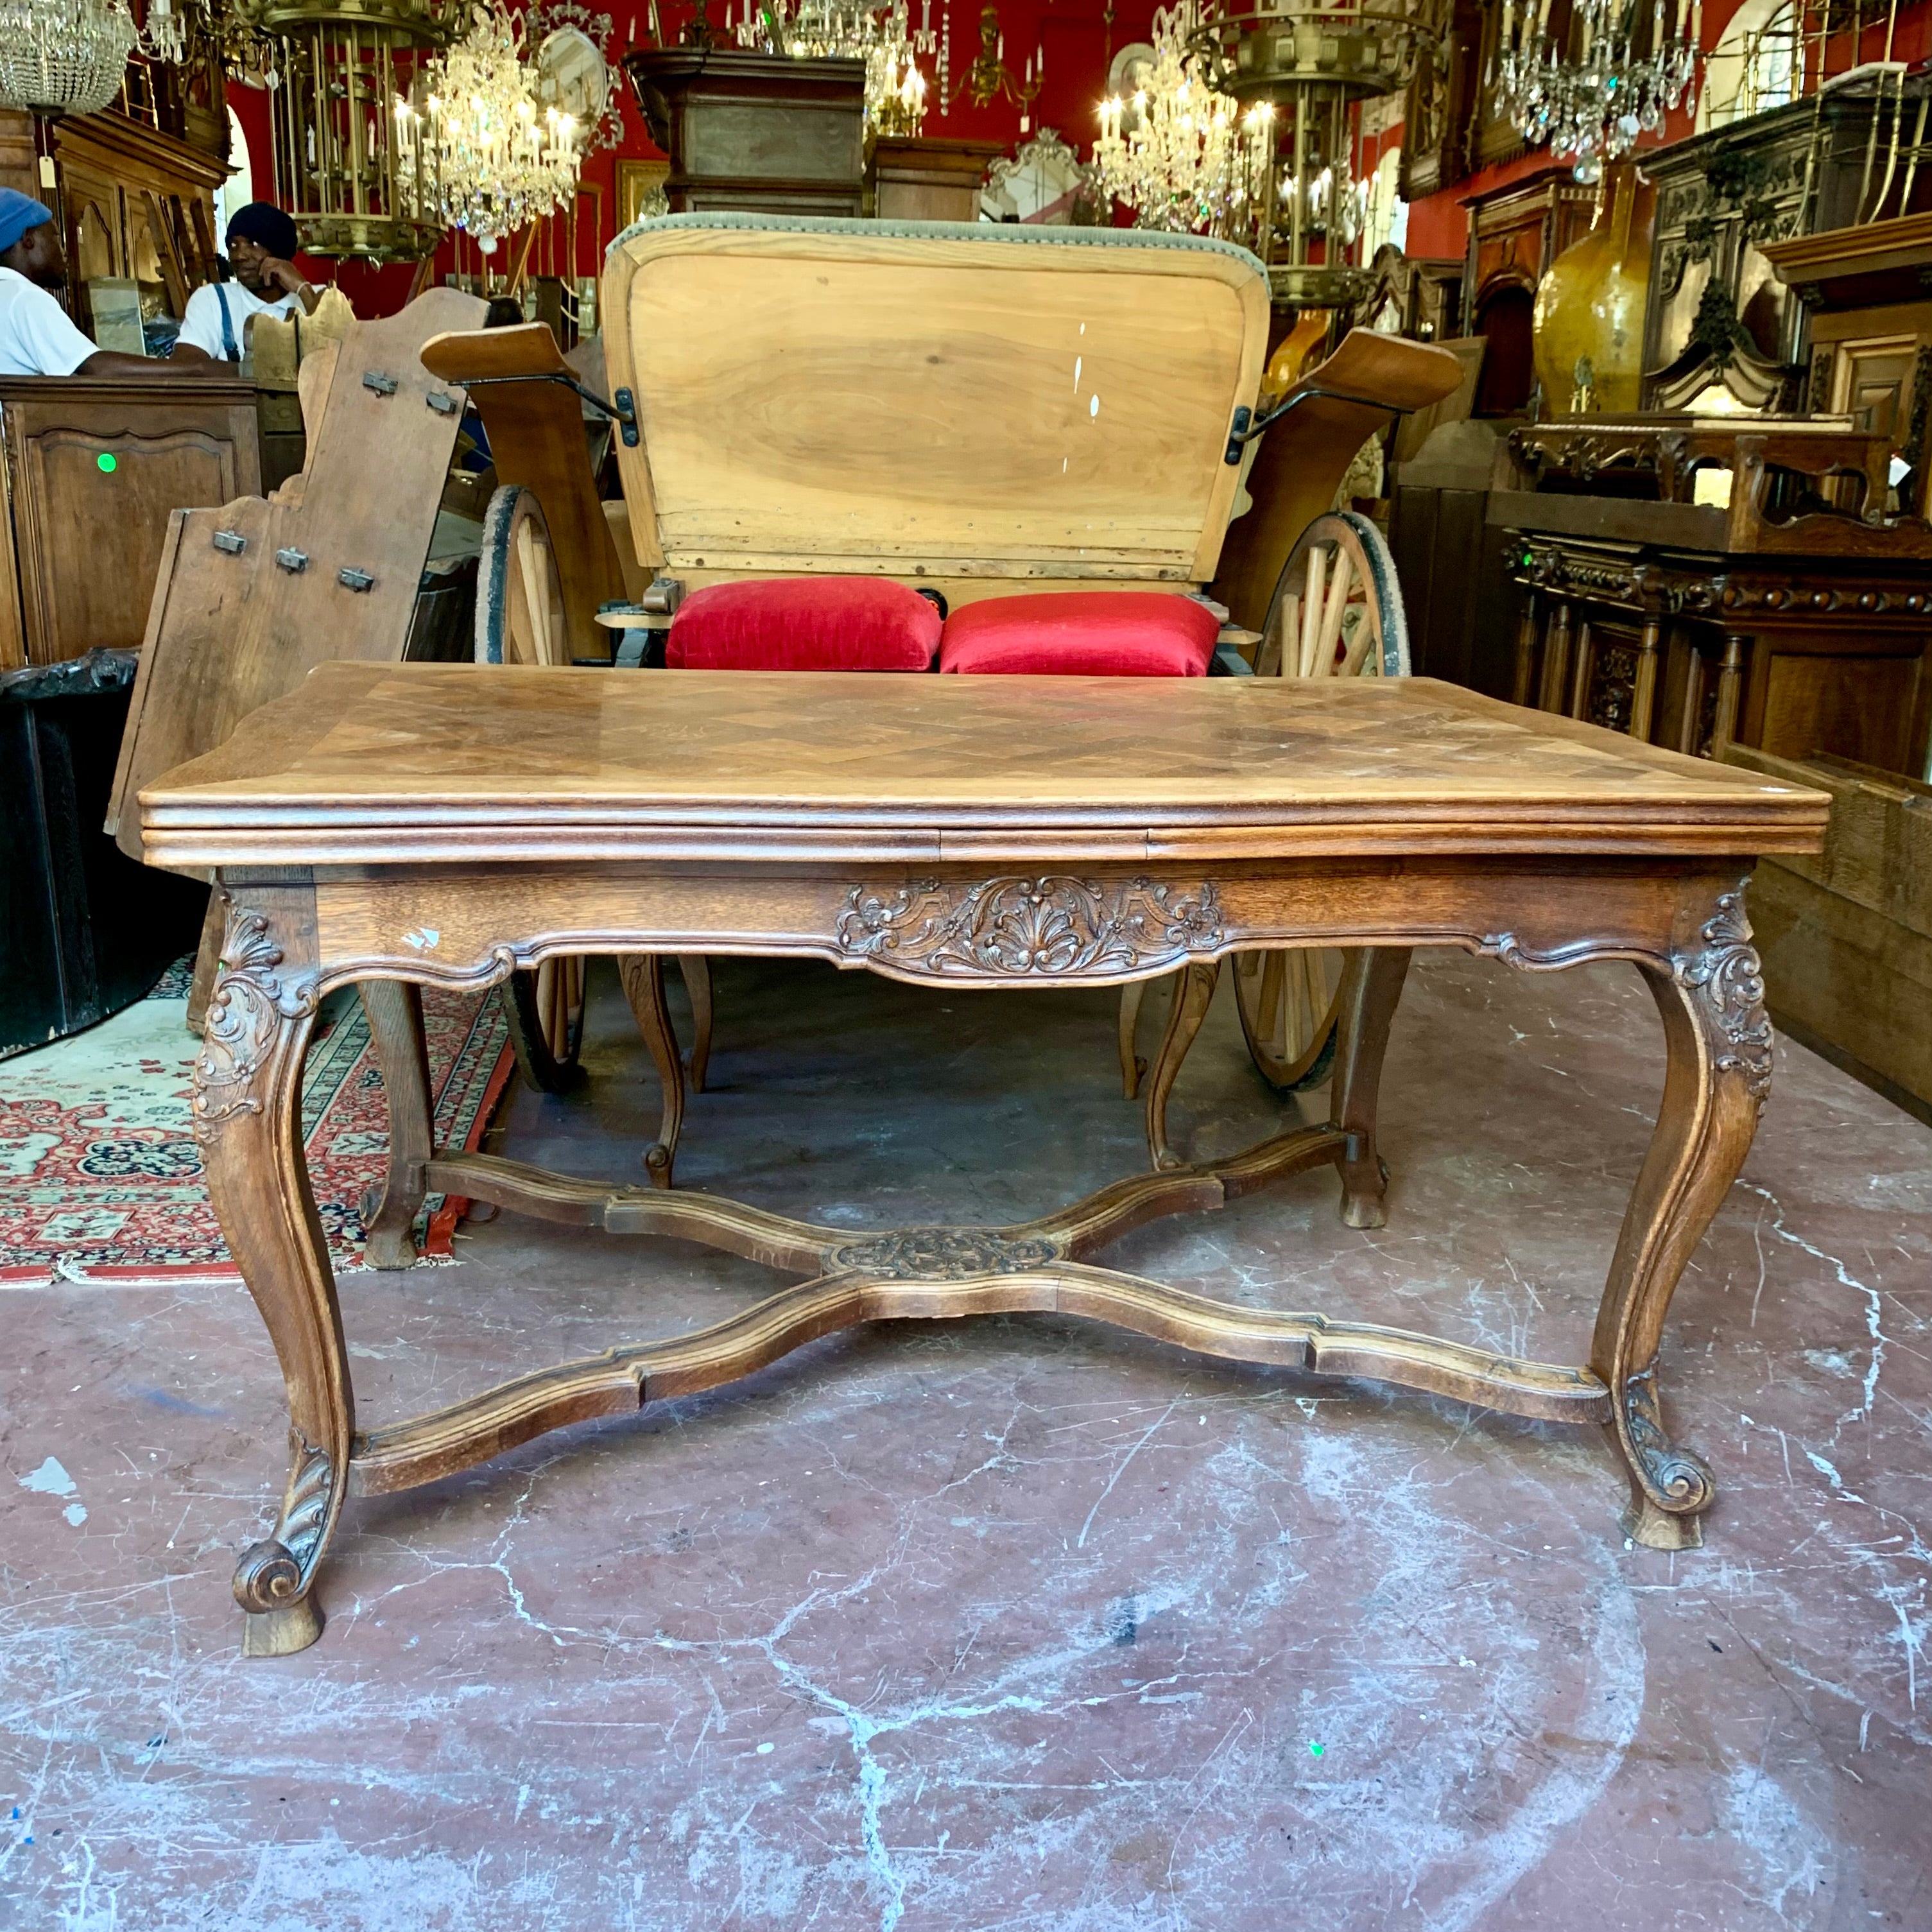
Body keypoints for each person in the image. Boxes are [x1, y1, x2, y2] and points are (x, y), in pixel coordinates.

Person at [0, 189, 220, 379]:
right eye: (56, 238)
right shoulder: (24, 298)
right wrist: (197, 369)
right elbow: (96, 368)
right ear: (28, 238)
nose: (64, 251)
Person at [173, 202, 322, 364]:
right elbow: (186, 366)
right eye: (233, 245)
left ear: (280, 252)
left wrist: (302, 287)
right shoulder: (212, 299)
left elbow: (345, 359)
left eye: (253, 244)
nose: (239, 256)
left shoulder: (319, 298)